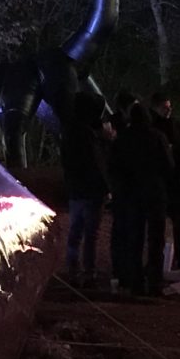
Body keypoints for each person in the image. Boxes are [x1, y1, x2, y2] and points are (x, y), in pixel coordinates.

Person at [108, 102, 171, 296]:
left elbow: (114, 168)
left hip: (131, 195)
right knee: (156, 239)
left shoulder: (123, 139)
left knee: (134, 239)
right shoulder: (158, 137)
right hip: (154, 194)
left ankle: (135, 280)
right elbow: (168, 166)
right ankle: (155, 281)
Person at [59, 90, 114, 290]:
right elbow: (97, 163)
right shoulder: (89, 135)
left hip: (75, 190)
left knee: (75, 231)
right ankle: (89, 271)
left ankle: (73, 269)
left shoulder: (69, 132)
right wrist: (106, 188)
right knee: (90, 234)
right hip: (91, 192)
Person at [150, 91, 180, 271]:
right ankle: (160, 260)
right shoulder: (154, 127)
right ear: (156, 107)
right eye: (165, 108)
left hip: (175, 182)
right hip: (162, 183)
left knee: (178, 223)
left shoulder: (176, 126)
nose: (168, 111)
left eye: (169, 107)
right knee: (160, 224)